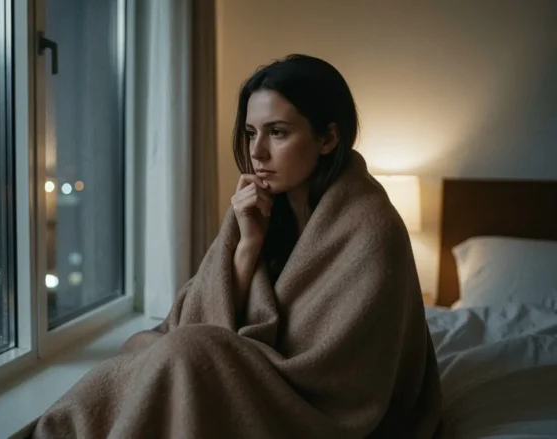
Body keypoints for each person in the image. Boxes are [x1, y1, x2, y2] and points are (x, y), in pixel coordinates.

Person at [31, 54, 442, 439]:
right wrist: (248, 246)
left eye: (278, 133)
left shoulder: (372, 229)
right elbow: (192, 318)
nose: (257, 153)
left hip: (318, 410)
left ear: (328, 138)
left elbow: (342, 379)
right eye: (250, 133)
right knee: (144, 347)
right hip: (258, 373)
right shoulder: (258, 204)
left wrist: (205, 350)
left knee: (183, 352)